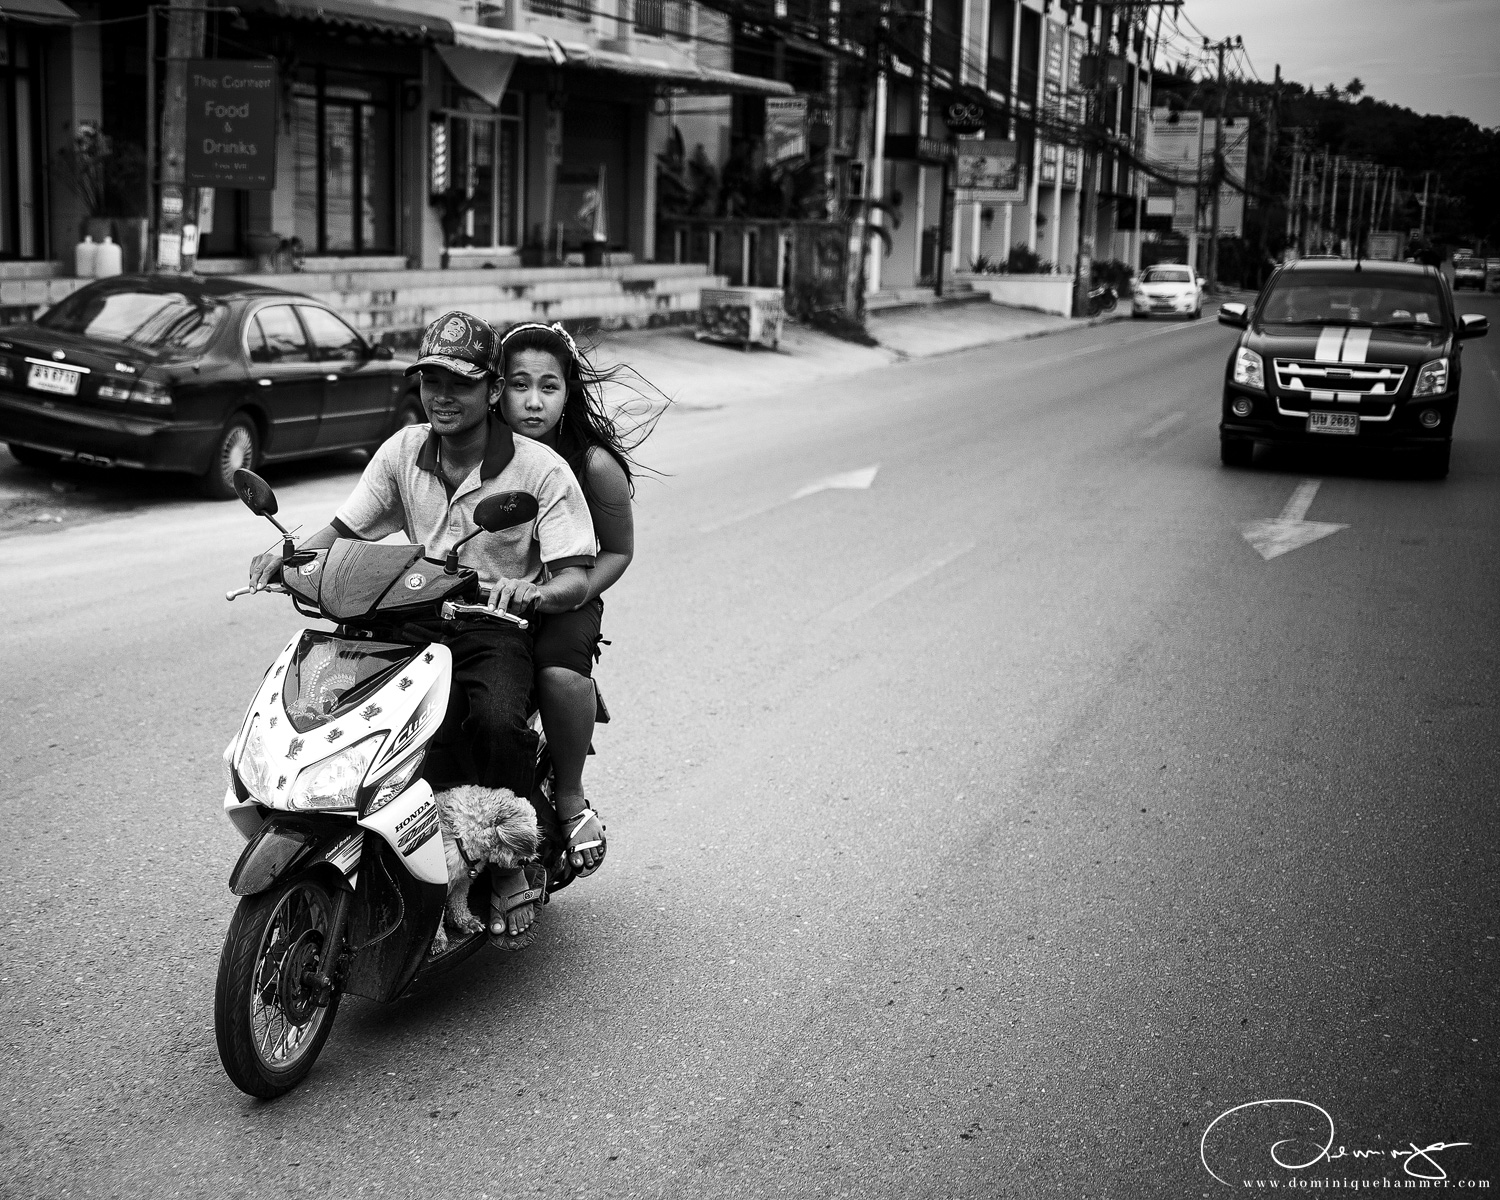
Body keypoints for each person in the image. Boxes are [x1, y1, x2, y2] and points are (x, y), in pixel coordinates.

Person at [247, 310, 596, 949]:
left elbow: (575, 573)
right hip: (409, 616)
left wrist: (533, 591)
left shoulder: (541, 469)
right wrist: (289, 555)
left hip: (491, 625)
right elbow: (344, 531)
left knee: (495, 721)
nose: (443, 396)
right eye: (433, 380)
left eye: (461, 383)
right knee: (347, 708)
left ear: (492, 389)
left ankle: (509, 861)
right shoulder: (403, 450)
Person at [495, 321, 643, 887]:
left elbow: (619, 551)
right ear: (497, 389)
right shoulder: (474, 449)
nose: (533, 401)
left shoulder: (593, 465)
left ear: (568, 391)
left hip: (569, 592)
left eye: (548, 386)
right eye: (519, 384)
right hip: (491, 591)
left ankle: (571, 796)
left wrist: (570, 592)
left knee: (556, 671)